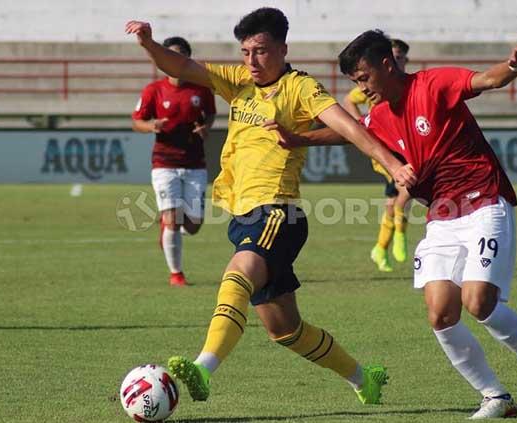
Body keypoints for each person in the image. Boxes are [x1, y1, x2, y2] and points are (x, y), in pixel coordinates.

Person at [125, 9, 416, 406]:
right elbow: (180, 64)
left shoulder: (300, 88)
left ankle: (203, 368)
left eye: (260, 51)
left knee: (237, 273)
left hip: (277, 211)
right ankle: (366, 378)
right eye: (245, 51)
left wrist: (393, 163)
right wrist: (147, 44)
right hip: (243, 214)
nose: (252, 61)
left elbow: (349, 125)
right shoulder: (239, 80)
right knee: (285, 329)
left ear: (282, 48)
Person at [274, 30, 517, 419]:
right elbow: (349, 135)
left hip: (483, 202)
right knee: (440, 314)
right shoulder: (377, 115)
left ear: (386, 65)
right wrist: (298, 140)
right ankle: (495, 396)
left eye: (363, 78)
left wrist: (514, 65)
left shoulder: (433, 83)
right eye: (354, 82)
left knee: (478, 301)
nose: (361, 88)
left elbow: (487, 80)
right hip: (442, 217)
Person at [131, 36, 216, 287]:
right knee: (173, 218)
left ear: (187, 59)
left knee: (194, 224)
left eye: (178, 56)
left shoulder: (201, 89)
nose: (172, 61)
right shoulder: (153, 91)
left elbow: (210, 114)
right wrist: (151, 125)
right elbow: (137, 122)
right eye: (167, 56)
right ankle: (176, 274)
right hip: (164, 162)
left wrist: (205, 127)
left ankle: (169, 227)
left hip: (194, 163)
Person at [341, 38, 412, 272]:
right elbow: (349, 99)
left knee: (393, 202)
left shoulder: (407, 84)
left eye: (401, 57)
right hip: (384, 148)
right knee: (406, 189)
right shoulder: (373, 84)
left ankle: (380, 249)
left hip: (404, 144)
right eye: (394, 56)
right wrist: (360, 125)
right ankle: (400, 236)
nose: (397, 60)